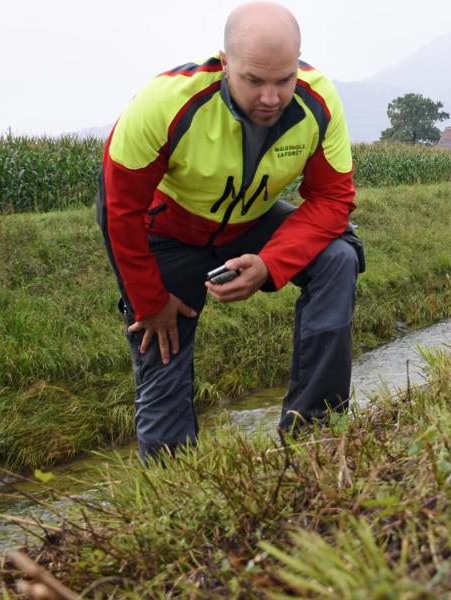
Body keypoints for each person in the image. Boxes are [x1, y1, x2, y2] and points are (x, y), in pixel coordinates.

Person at [96, 1, 363, 461]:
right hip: (169, 235)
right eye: (254, 80)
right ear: (224, 63)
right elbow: (118, 209)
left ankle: (314, 437)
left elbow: (333, 199)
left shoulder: (318, 101)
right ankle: (171, 487)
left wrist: (271, 263)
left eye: (284, 80)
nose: (271, 98)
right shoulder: (165, 104)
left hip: (253, 223)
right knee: (161, 345)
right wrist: (150, 302)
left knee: (338, 257)